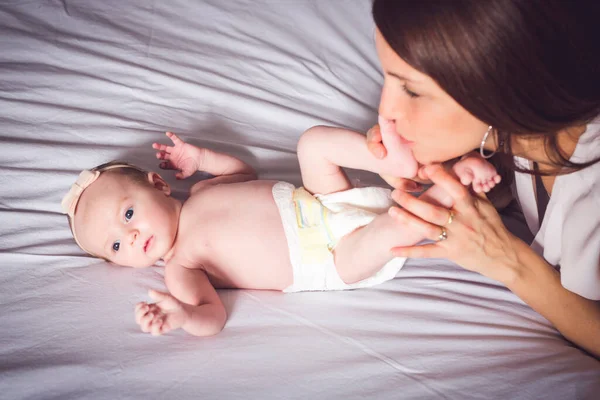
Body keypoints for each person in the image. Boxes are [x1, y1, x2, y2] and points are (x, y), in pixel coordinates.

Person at [61, 127, 499, 337]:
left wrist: (201, 158)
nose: (132, 237)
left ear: (159, 185)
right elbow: (212, 317)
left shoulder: (202, 191)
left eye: (129, 213)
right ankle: (452, 183)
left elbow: (242, 171)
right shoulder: (180, 267)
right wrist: (182, 315)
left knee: (313, 144)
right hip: (331, 258)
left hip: (324, 200)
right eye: (117, 245)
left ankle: (410, 167)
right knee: (397, 223)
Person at [367, 0, 600, 358]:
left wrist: (510, 263)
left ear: (498, 85)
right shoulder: (524, 133)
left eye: (411, 91)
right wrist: (456, 161)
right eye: (387, 78)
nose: (386, 111)